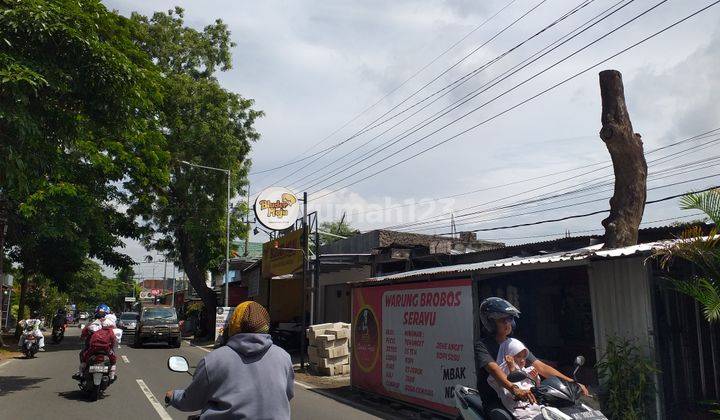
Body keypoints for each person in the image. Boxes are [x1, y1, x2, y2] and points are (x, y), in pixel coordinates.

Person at [165, 301, 294, 419]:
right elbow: (287, 394)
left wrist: (173, 396)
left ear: (234, 323)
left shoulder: (213, 360)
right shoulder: (283, 357)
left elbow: (191, 402)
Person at [474, 297, 589, 420]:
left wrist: (572, 383)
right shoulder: (483, 346)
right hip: (496, 400)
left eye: (510, 319)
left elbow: (541, 367)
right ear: (490, 322)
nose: (508, 323)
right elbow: (494, 370)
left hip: (522, 398)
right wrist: (514, 388)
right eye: (502, 320)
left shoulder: (515, 345)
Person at [488, 338, 543, 420]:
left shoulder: (527, 371)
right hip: (523, 414)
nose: (522, 360)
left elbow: (536, 388)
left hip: (537, 410)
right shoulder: (501, 376)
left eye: (524, 357)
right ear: (508, 356)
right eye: (518, 356)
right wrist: (512, 369)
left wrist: (535, 378)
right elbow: (513, 390)